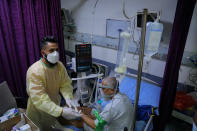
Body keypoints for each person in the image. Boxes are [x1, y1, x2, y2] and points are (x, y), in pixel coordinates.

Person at [26, 36, 80, 131]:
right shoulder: (35, 71)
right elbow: (40, 99)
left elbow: (65, 83)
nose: (55, 54)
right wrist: (61, 111)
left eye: (56, 50)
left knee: (50, 126)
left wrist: (68, 97)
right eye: (51, 50)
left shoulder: (59, 66)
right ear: (43, 52)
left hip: (53, 107)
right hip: (38, 112)